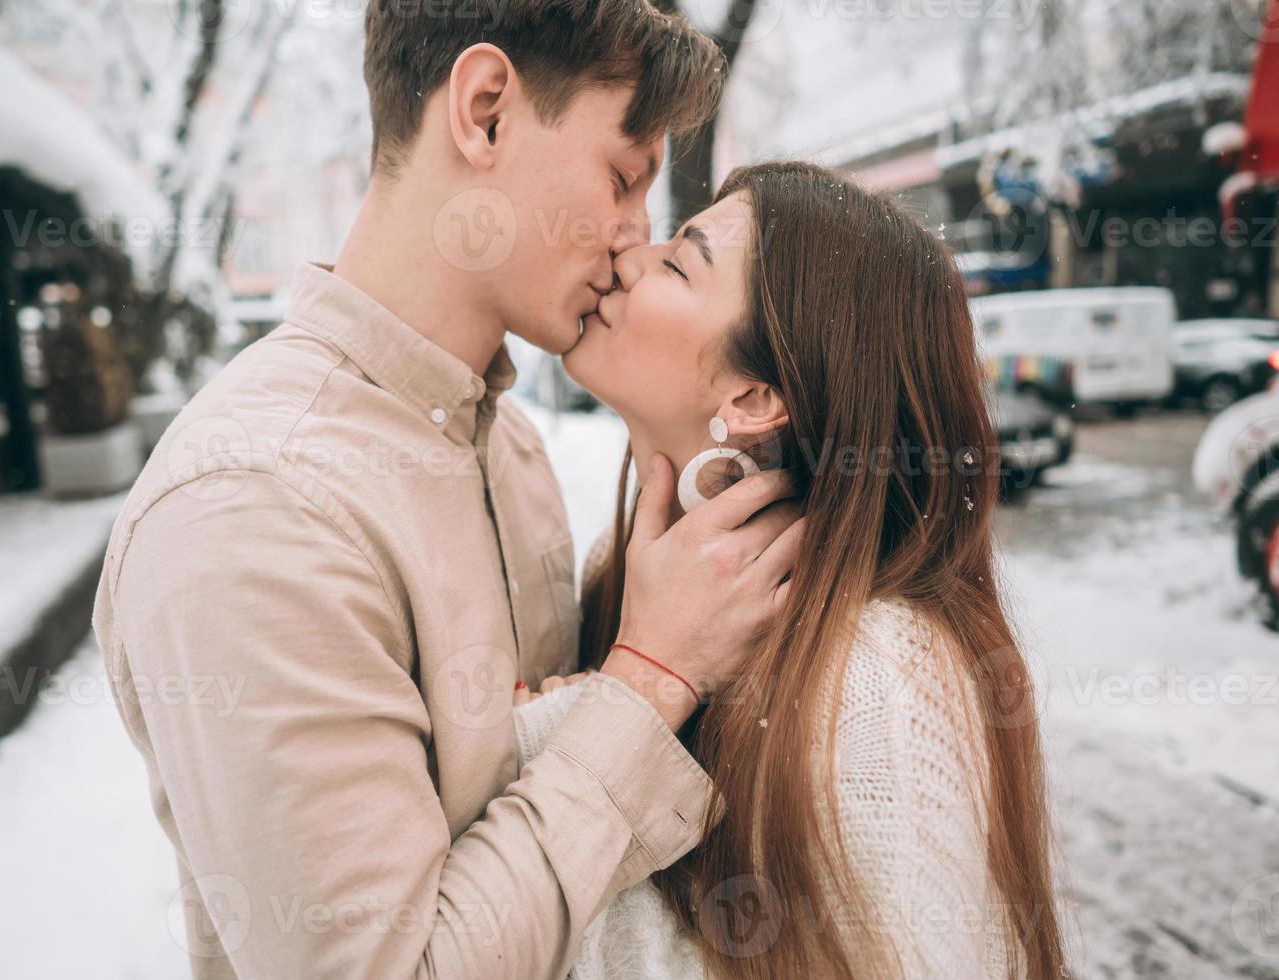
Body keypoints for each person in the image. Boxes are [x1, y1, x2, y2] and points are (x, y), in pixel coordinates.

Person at [90, 3, 802, 978]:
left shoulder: (504, 443)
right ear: (485, 112)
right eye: (624, 176)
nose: (637, 237)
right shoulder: (256, 504)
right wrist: (649, 677)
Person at [515, 160, 1068, 979]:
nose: (627, 252)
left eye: (678, 262)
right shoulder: (624, 569)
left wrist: (546, 736)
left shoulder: (877, 673)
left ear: (751, 401)